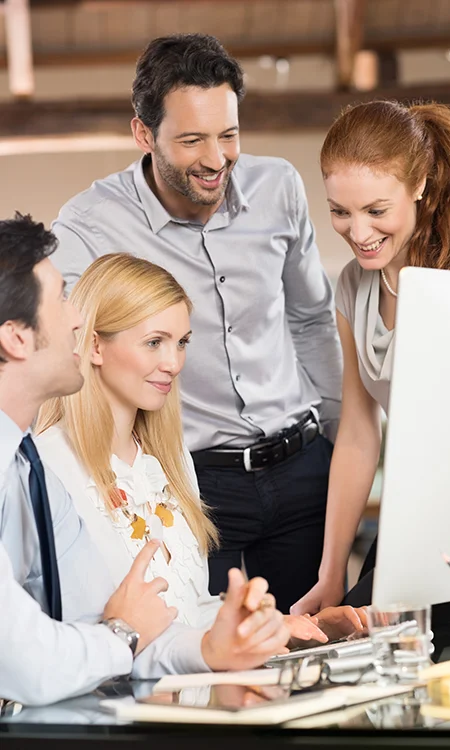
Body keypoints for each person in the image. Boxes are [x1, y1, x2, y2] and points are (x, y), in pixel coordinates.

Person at [50, 33, 343, 613]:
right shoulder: (89, 224)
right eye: (191, 140)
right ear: (143, 133)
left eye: (228, 135)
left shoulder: (278, 186)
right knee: (202, 652)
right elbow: (68, 353)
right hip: (193, 482)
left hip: (303, 466)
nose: (216, 159)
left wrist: (338, 440)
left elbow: (311, 320)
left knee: (306, 651)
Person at [0, 213, 292, 707]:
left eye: (179, 343)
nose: (77, 317)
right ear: (16, 337)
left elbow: (126, 629)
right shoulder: (42, 463)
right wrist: (121, 632)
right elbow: (34, 660)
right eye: (61, 300)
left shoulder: (23, 463)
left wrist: (211, 644)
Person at [35, 252, 365, 649]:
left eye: (182, 343)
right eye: (154, 342)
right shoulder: (48, 467)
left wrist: (286, 628)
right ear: (94, 347)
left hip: (196, 695)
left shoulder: (172, 462)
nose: (173, 363)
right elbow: (52, 635)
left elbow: (193, 610)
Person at [291, 100, 450, 619]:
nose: (358, 233)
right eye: (341, 211)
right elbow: (361, 432)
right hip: (418, 517)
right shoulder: (351, 287)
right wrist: (332, 571)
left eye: (376, 211)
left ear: (420, 185)